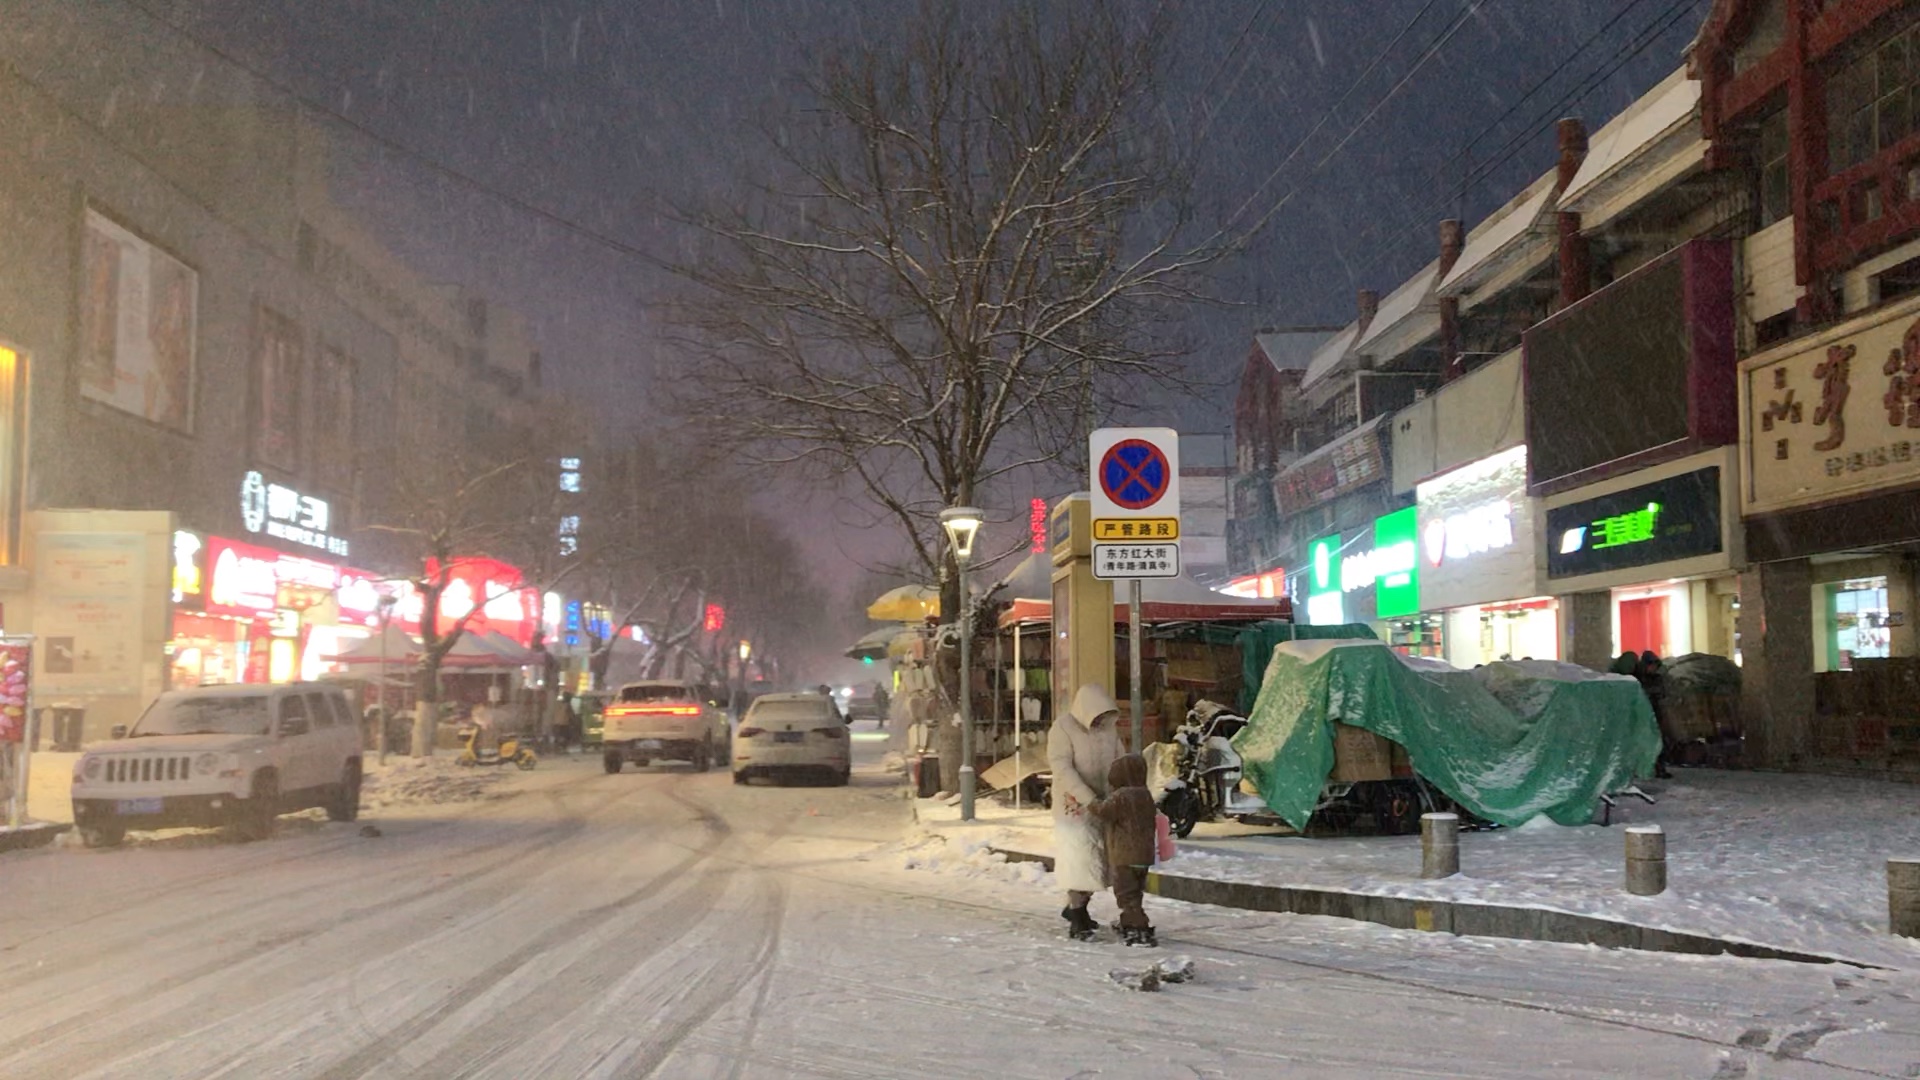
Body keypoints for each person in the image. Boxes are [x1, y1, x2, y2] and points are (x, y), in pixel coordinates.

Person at [1048, 683, 1124, 940]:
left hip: (1105, 803)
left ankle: (1076, 907)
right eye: (1098, 715)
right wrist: (1087, 798)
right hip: (1074, 808)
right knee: (1079, 860)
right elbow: (1062, 768)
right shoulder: (1063, 728)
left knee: (1100, 862)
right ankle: (1078, 916)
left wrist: (1120, 792)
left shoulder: (1109, 730)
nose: (1102, 720)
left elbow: (1120, 760)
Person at [1088, 752, 1158, 947]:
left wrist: (1089, 802)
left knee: (1125, 894)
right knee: (1135, 892)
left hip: (1124, 854)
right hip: (1144, 855)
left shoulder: (1121, 796)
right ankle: (1129, 921)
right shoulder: (1145, 794)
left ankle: (1139, 929)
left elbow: (1103, 811)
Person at [1636, 650, 1675, 779]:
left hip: (1656, 714)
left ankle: (1659, 768)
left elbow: (1663, 693)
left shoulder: (1656, 679)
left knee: (1660, 743)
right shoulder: (1639, 679)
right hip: (1644, 715)